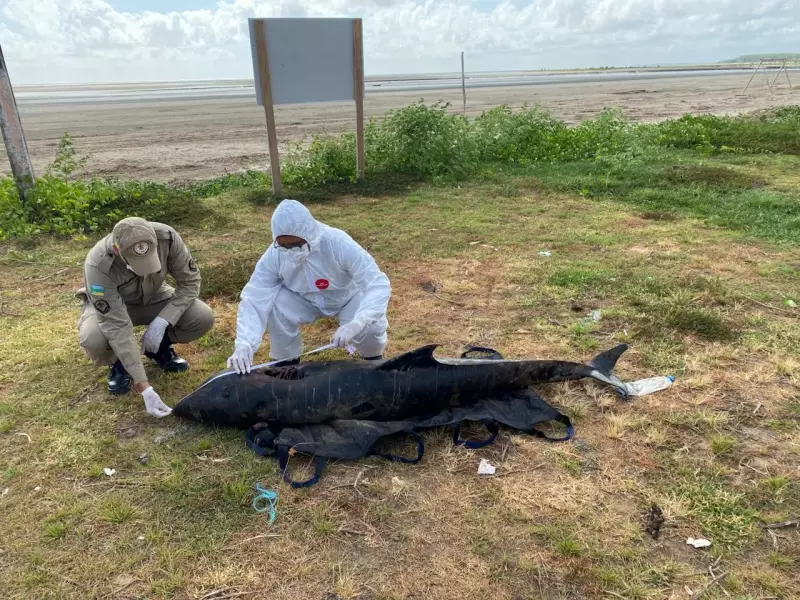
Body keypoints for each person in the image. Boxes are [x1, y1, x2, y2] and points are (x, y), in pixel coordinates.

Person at [227, 199, 391, 374]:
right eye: (284, 246)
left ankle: (373, 360)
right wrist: (244, 343)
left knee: (370, 325)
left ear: (309, 234)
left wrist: (358, 323)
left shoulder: (337, 243)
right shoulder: (274, 255)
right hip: (304, 300)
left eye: (296, 244)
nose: (290, 250)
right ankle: (286, 364)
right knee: (275, 303)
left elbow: (377, 284)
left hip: (346, 298)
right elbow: (255, 296)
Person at [76, 217, 214, 417]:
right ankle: (119, 363)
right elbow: (116, 325)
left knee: (201, 316)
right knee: (94, 339)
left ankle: (157, 348)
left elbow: (190, 283)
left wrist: (163, 321)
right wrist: (145, 388)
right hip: (115, 305)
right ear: (117, 250)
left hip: (155, 296)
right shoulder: (98, 264)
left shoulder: (167, 238)